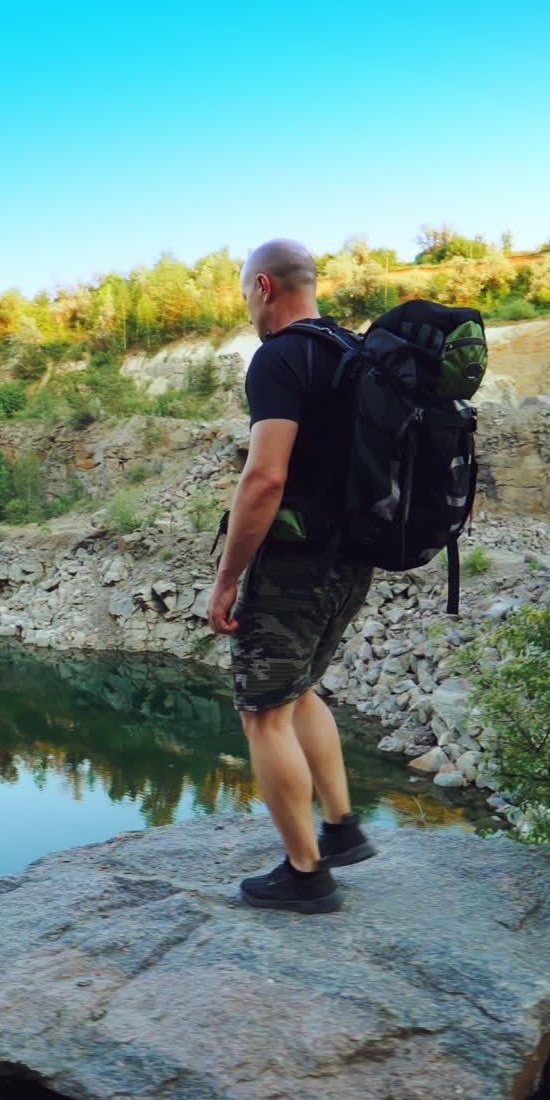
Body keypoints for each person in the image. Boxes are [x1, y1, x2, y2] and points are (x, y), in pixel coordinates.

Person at [206, 238, 375, 914]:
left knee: (263, 714)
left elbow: (266, 476)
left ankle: (306, 876)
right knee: (301, 690)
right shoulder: (353, 353)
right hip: (351, 560)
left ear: (265, 287)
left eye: (247, 290)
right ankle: (342, 829)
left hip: (296, 565)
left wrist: (226, 581)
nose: (247, 303)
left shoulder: (280, 358)